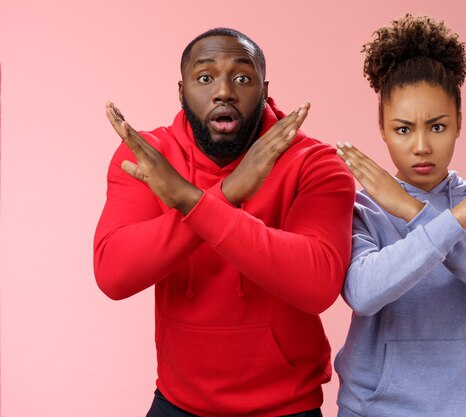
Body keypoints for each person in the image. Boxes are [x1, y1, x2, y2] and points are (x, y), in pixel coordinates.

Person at [93, 28, 355, 417]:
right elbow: (113, 274)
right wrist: (226, 194)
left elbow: (317, 284)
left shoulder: (314, 163)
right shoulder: (150, 157)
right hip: (177, 403)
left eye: (242, 78)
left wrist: (190, 201)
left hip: (287, 406)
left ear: (264, 90)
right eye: (205, 77)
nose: (224, 91)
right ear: (181, 91)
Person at [333, 14, 466, 417]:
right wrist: (453, 219)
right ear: (383, 129)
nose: (422, 146)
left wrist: (417, 212)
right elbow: (362, 294)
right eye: (404, 129)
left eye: (438, 127)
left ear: (459, 123)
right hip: (372, 409)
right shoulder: (365, 207)